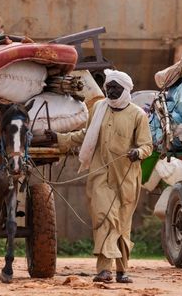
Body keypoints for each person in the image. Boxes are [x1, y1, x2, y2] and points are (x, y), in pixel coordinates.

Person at [45, 69, 152, 284]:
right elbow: (86, 135)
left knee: (122, 224)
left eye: (115, 88)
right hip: (100, 174)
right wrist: (60, 138)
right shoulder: (98, 109)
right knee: (104, 218)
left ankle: (122, 270)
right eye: (109, 87)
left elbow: (147, 145)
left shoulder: (138, 115)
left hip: (127, 177)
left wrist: (138, 153)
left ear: (126, 90)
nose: (110, 92)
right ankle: (104, 270)